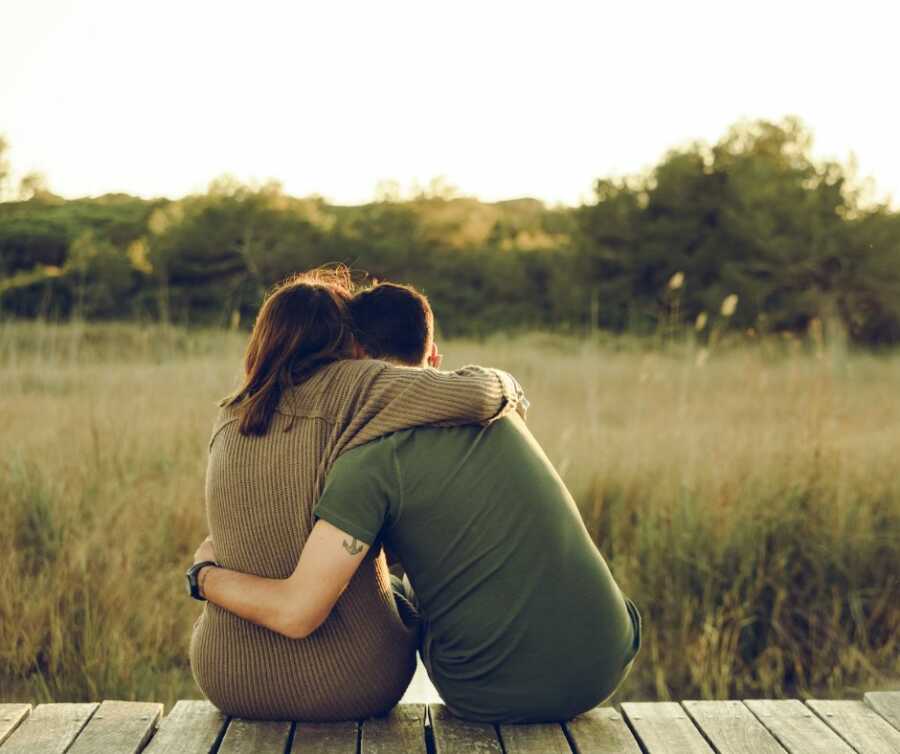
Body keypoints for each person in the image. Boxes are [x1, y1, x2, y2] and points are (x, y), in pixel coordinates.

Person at [191, 281, 641, 724]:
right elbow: (478, 393)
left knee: (399, 586)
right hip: (612, 653)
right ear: (433, 361)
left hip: (482, 692)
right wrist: (508, 386)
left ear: (357, 357)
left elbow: (299, 608)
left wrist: (204, 575)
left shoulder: (348, 458)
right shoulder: (496, 422)